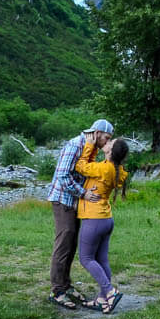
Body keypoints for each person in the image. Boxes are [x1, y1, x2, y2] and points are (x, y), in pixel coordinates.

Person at [46, 119, 112, 308]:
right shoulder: (76, 145)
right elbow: (62, 175)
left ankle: (66, 285)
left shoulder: (90, 147)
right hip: (63, 200)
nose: (107, 142)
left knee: (71, 243)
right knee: (64, 242)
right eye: (106, 138)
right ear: (98, 132)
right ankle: (57, 290)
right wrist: (83, 193)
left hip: (74, 202)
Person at [75, 135, 129, 314]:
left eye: (110, 143)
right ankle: (102, 299)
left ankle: (109, 291)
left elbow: (80, 166)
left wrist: (90, 145)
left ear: (110, 152)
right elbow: (93, 167)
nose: (107, 142)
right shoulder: (115, 169)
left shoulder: (104, 169)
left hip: (94, 218)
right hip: (106, 219)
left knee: (86, 259)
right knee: (102, 259)